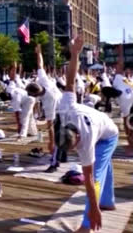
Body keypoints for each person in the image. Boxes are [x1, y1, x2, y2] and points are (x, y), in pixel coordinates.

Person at [56, 34, 119, 233]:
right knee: (104, 165)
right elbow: (71, 80)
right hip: (100, 124)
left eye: (74, 148)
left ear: (78, 139)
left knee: (97, 176)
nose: (75, 151)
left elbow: (90, 182)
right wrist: (74, 54)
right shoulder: (66, 109)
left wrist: (94, 210)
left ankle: (86, 226)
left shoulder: (86, 140)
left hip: (108, 135)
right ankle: (108, 201)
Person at [25, 44, 63, 172]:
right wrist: (38, 53)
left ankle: (54, 163)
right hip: (63, 105)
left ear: (36, 94)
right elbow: (40, 65)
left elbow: (50, 125)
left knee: (57, 138)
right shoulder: (43, 80)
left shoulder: (48, 101)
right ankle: (61, 156)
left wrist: (50, 142)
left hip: (62, 112)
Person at [112, 46, 133, 157]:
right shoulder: (118, 79)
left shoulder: (128, 79)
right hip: (126, 108)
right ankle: (130, 145)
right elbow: (120, 64)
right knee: (128, 126)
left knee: (130, 127)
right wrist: (120, 53)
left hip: (131, 105)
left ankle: (131, 144)